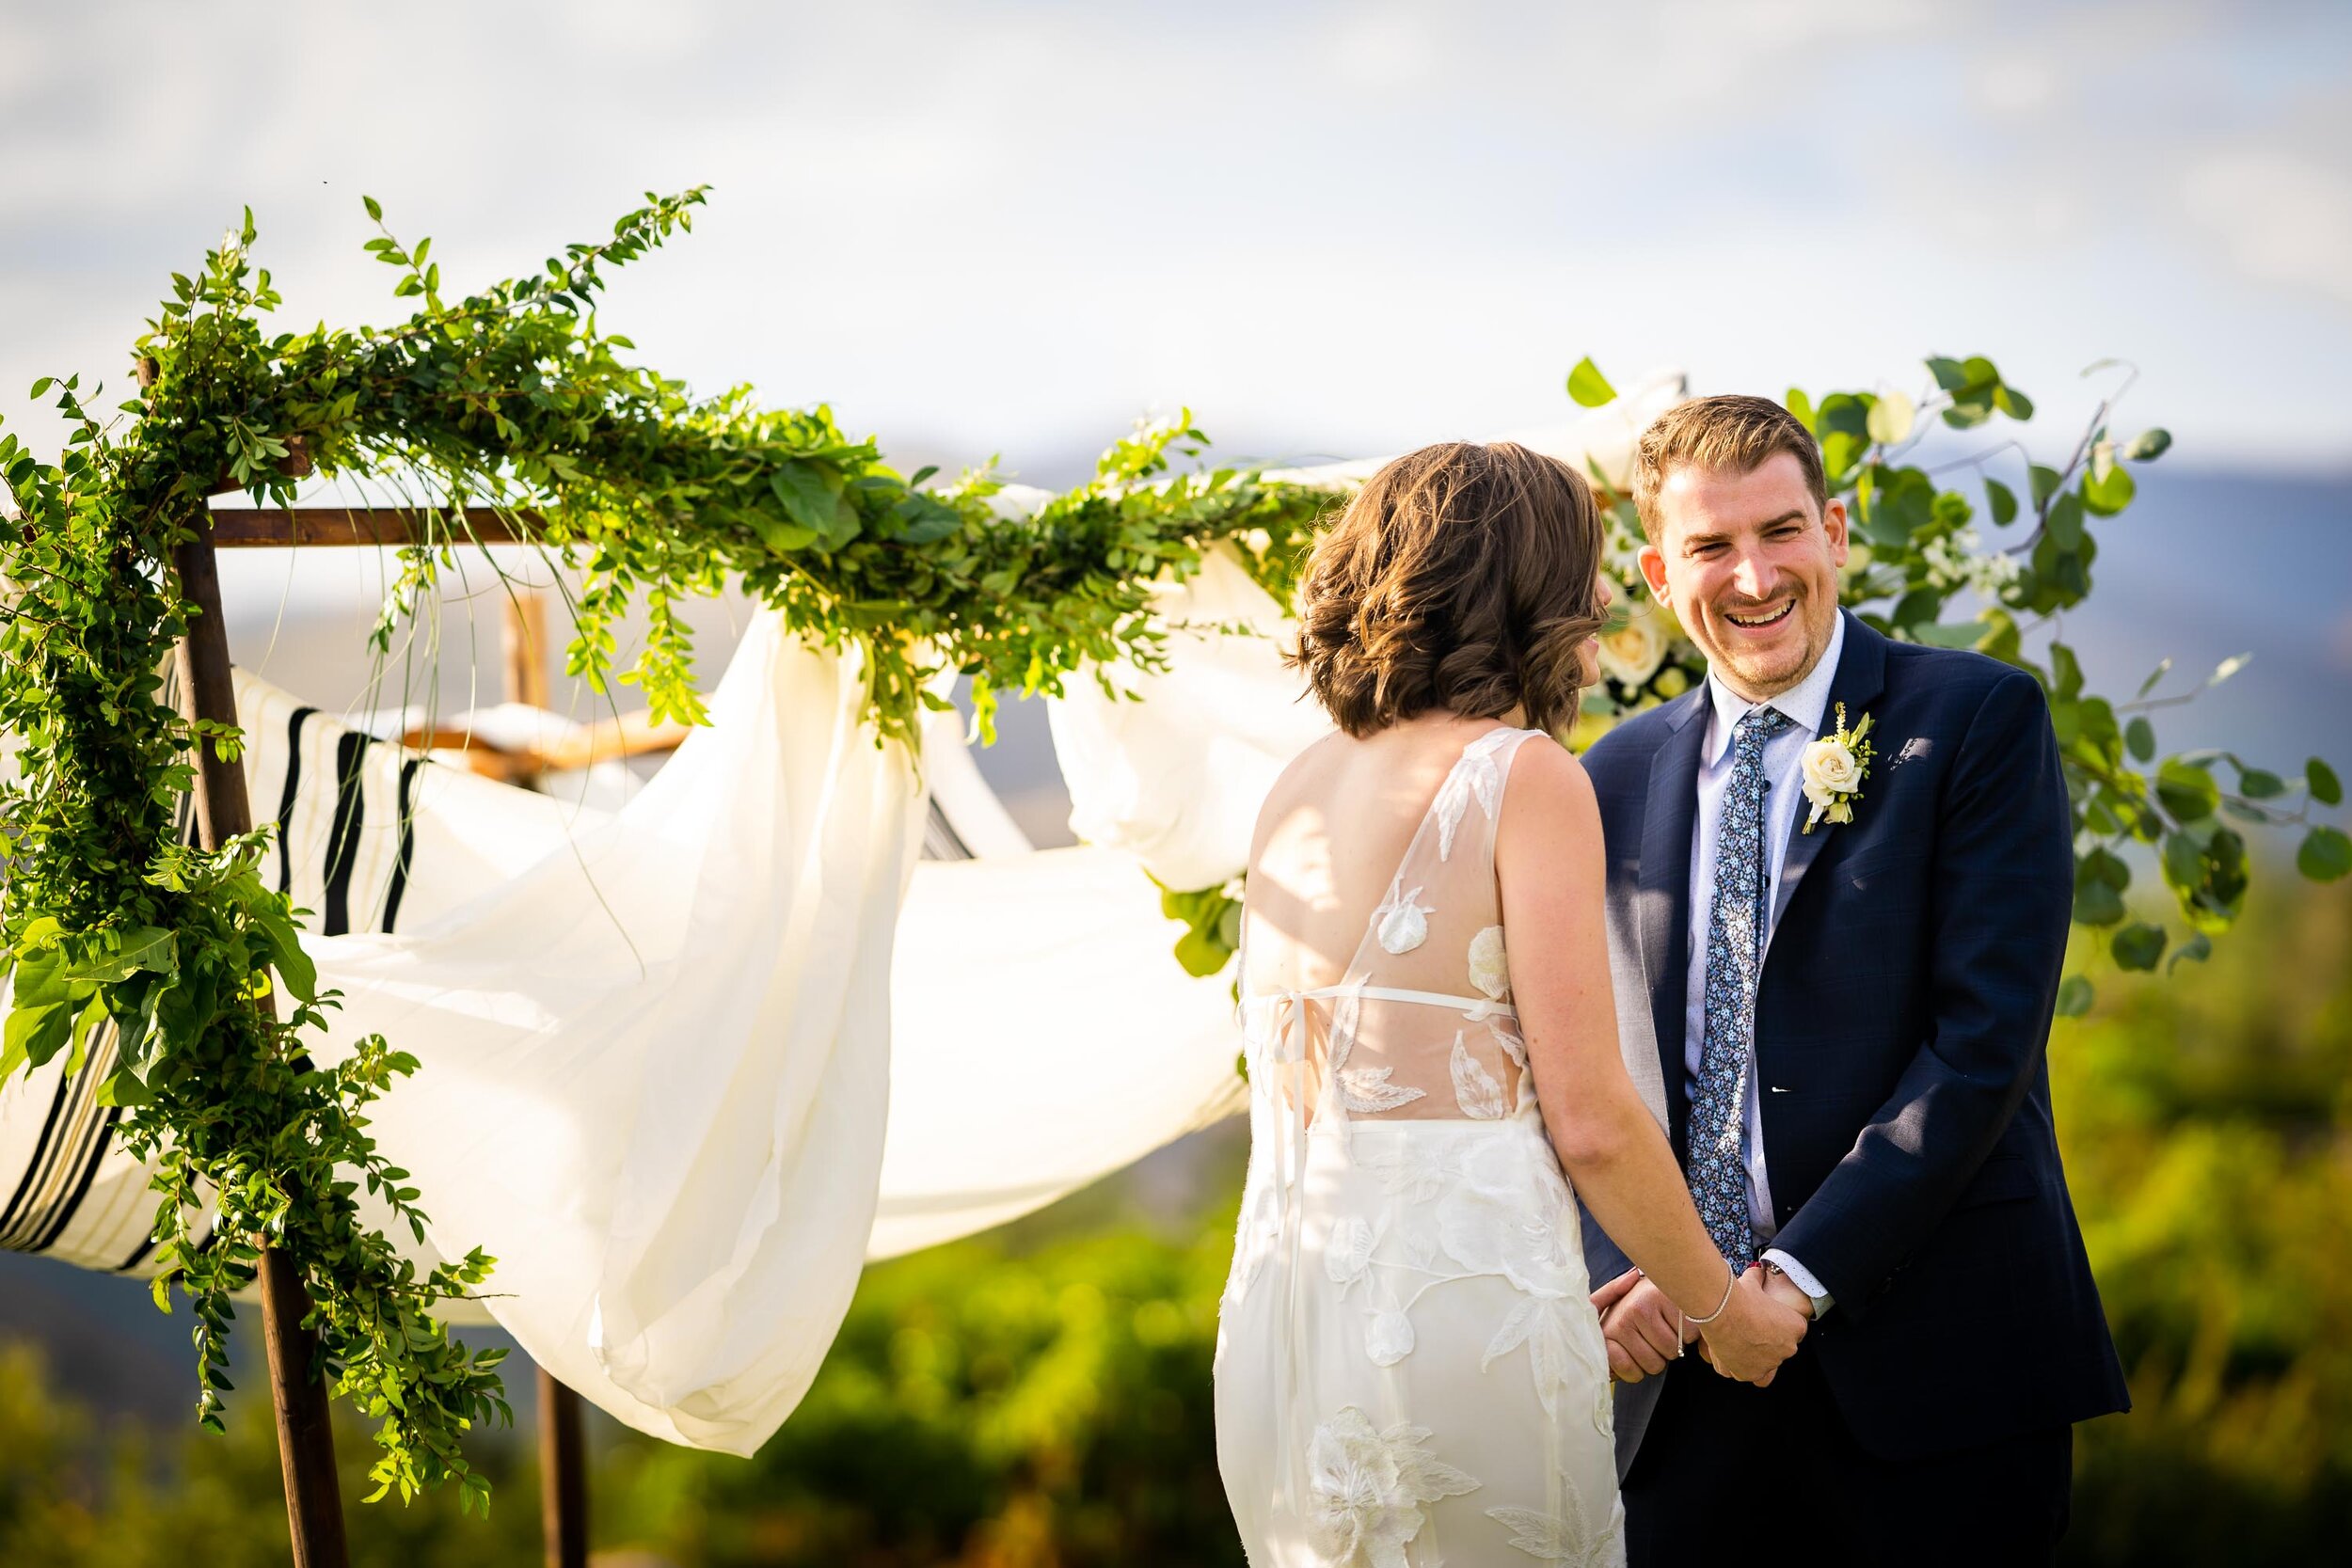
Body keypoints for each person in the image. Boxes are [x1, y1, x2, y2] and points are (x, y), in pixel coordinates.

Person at [1214, 440, 1807, 1567]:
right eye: (1578, 572)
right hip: (1459, 1321)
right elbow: (1588, 1114)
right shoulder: (1522, 773)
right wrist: (1722, 1310)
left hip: (1288, 1322)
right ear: (1527, 587)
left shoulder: (1296, 781)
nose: (1595, 606)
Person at [1577, 395, 2130, 1565]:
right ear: (1656, 572)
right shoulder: (1609, 772)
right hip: (1682, 1378)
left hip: (1937, 1362)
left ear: (1834, 530)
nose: (1752, 575)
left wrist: (1790, 1276)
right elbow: (1593, 1060)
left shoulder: (1975, 717)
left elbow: (1982, 1044)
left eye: (1779, 531)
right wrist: (1636, 1271)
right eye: (1710, 547)